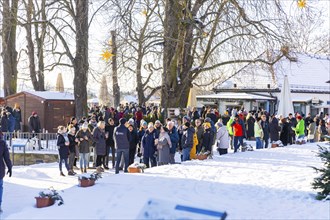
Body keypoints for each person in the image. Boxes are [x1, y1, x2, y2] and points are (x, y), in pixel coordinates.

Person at [0, 131, 12, 213]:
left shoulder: (2, 143)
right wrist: (9, 167)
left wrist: (9, 167)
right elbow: (6, 157)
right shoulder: (2, 143)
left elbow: (6, 157)